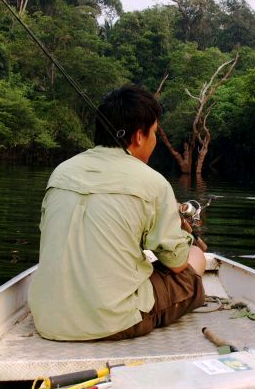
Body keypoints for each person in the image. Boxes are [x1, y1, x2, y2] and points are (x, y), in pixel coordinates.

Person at [29, 84, 206, 341]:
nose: (155, 140)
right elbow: (177, 264)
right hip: (116, 322)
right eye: (154, 132)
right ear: (138, 136)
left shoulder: (61, 172)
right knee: (195, 257)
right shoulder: (153, 182)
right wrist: (185, 235)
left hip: (47, 319)